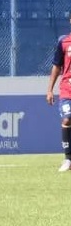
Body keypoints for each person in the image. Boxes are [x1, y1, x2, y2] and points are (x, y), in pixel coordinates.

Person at [45, 15, 71, 172]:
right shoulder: (64, 41)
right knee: (67, 119)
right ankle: (68, 159)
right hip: (67, 89)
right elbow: (56, 66)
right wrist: (49, 90)